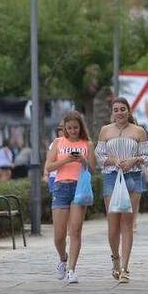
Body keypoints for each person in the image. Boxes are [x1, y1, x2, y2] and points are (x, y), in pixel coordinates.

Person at [95, 97, 148, 283]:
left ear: (129, 111)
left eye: (123, 109)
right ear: (112, 112)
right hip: (112, 177)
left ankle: (126, 268)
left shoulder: (139, 131)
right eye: (116, 109)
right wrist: (113, 161)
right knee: (113, 226)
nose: (119, 112)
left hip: (133, 178)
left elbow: (147, 156)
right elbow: (99, 155)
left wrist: (134, 160)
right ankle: (115, 259)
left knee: (127, 224)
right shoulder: (105, 131)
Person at [44, 111, 95, 284]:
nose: (73, 131)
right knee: (58, 236)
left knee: (75, 230)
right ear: (64, 128)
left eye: (75, 127)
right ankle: (63, 258)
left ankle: (72, 270)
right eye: (69, 128)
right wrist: (65, 160)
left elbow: (93, 169)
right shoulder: (58, 143)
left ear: (80, 127)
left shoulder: (87, 144)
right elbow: (49, 167)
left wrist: (83, 160)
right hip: (60, 187)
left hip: (79, 188)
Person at [45, 124, 65, 193]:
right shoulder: (53, 144)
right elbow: (48, 160)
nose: (61, 133)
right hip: (54, 176)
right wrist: (45, 174)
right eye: (59, 131)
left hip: (65, 177)